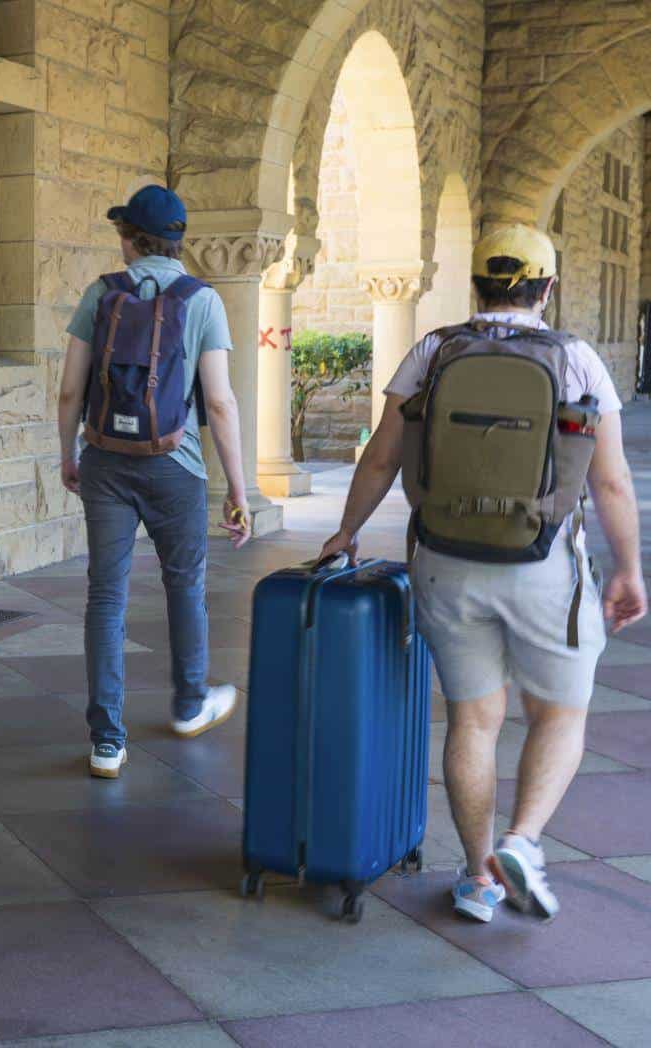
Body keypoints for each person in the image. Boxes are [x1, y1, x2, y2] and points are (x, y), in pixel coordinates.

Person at [320, 225, 647, 922]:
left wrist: (346, 532)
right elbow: (613, 483)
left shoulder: (433, 350)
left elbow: (382, 457)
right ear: (548, 288)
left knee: (472, 719)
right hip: (544, 564)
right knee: (560, 713)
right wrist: (629, 569)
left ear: (476, 284)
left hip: (444, 560)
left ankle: (478, 880)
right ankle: (522, 842)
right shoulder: (576, 359)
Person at [57, 184, 252, 780]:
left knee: (105, 595)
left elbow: (70, 389)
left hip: (105, 462)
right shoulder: (203, 300)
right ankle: (190, 703)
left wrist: (68, 453)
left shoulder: (101, 294)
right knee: (183, 585)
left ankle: (107, 741)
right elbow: (218, 403)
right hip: (177, 464)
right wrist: (239, 492)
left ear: (128, 240)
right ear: (177, 239)